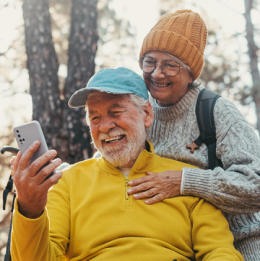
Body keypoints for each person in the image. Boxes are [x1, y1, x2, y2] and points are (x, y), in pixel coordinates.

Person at [11, 67, 243, 261]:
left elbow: (220, 251)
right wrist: (29, 209)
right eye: (94, 117)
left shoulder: (187, 179)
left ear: (147, 115)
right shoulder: (67, 182)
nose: (104, 126)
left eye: (115, 111)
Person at [126, 10, 260, 261]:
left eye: (170, 65)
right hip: (168, 244)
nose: (156, 73)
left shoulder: (216, 111)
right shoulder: (139, 112)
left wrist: (185, 181)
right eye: (149, 61)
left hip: (236, 244)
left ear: (191, 73)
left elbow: (257, 186)